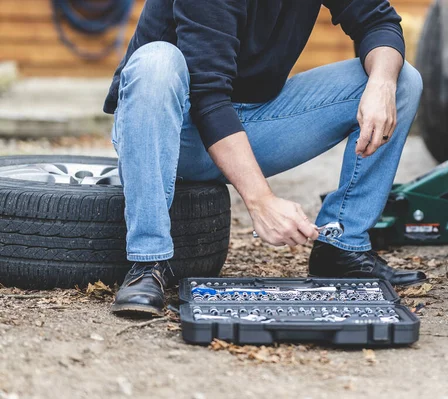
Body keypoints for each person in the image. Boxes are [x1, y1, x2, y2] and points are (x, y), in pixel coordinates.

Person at [104, 0, 426, 317]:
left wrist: (381, 84)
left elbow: (378, 21)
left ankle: (343, 245)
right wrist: (261, 200)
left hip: (253, 118)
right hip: (175, 127)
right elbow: (208, 96)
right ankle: (147, 262)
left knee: (401, 80)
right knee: (156, 62)